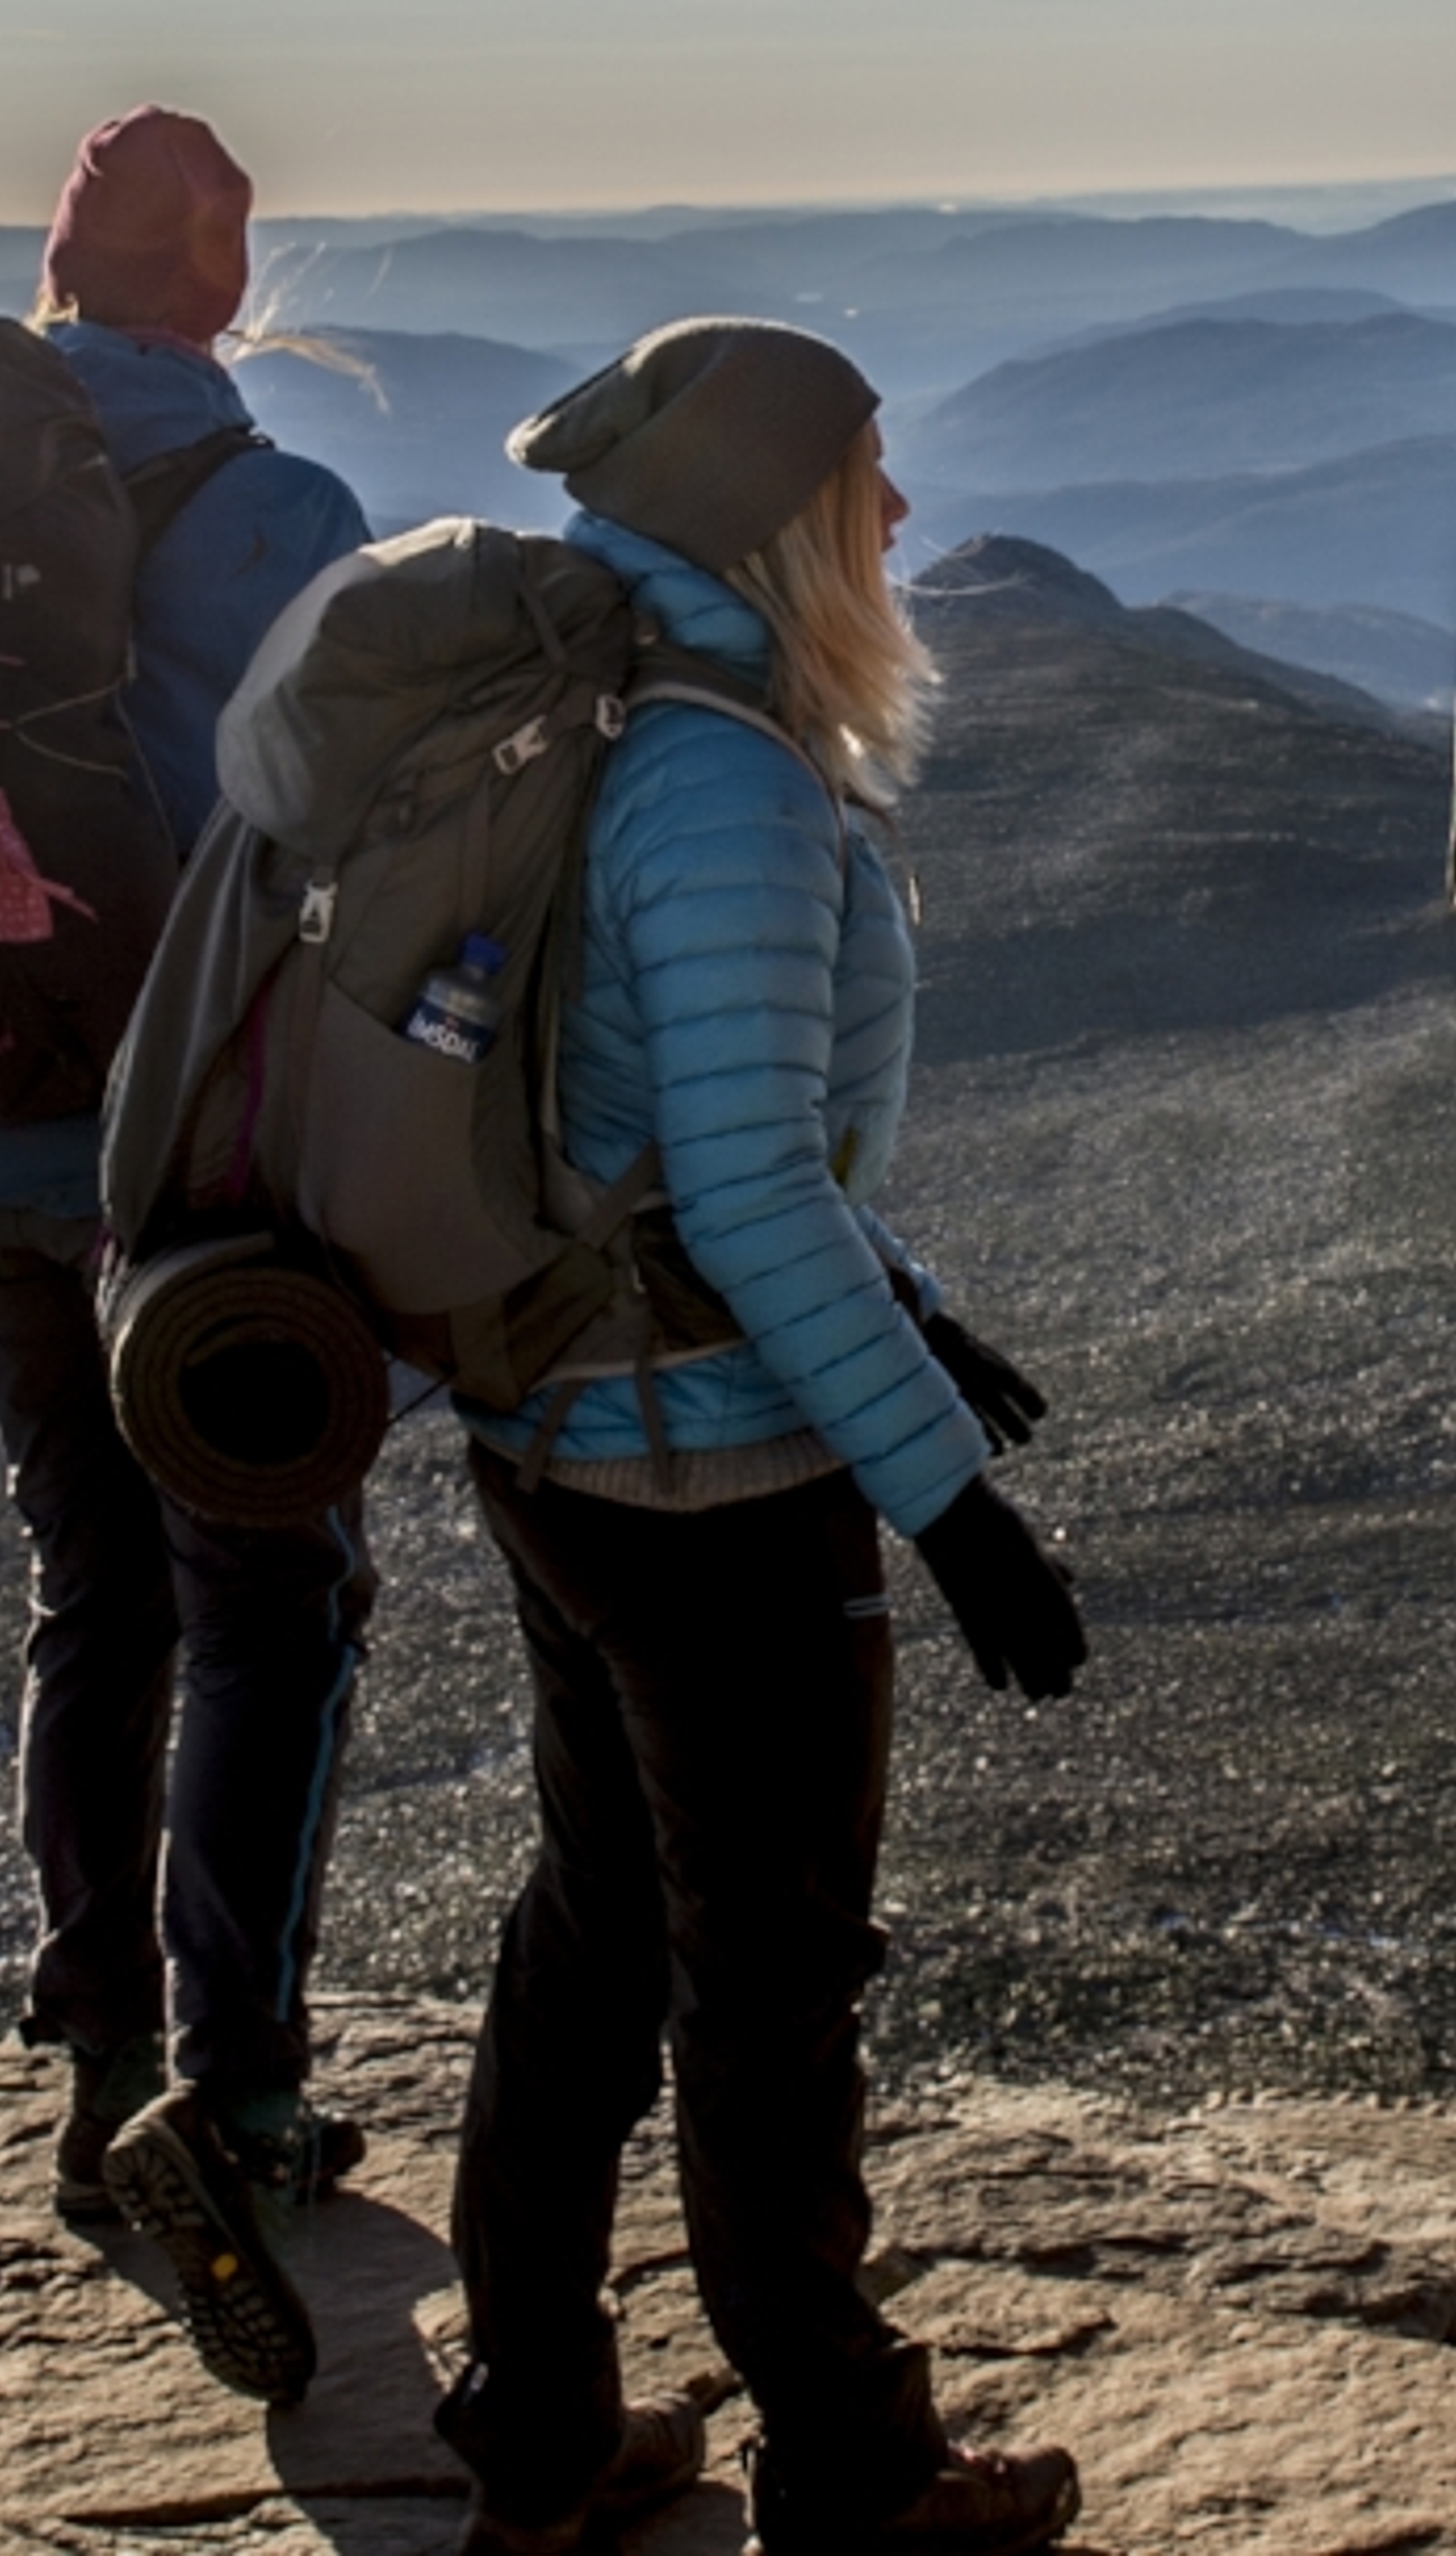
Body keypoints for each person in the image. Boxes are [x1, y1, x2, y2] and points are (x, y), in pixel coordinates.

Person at [433, 317, 1087, 2556]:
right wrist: (953, 1505)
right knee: (769, 1987)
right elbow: (740, 1184)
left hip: (554, 1425)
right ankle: (856, 2468)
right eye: (871, 474)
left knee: (598, 1927)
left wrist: (912, 1314)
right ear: (783, 517)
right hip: (704, 1468)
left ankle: (531, 2440)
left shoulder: (604, 700)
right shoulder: (719, 775)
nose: (901, 512)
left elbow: (658, 1141)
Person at [0, 107, 376, 2342]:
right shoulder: (276, 508)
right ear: (225, 276)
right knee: (270, 1601)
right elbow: (352, 834)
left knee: (90, 1588)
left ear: (53, 271)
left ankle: (97, 2054)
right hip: (184, 1164)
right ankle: (240, 2090)